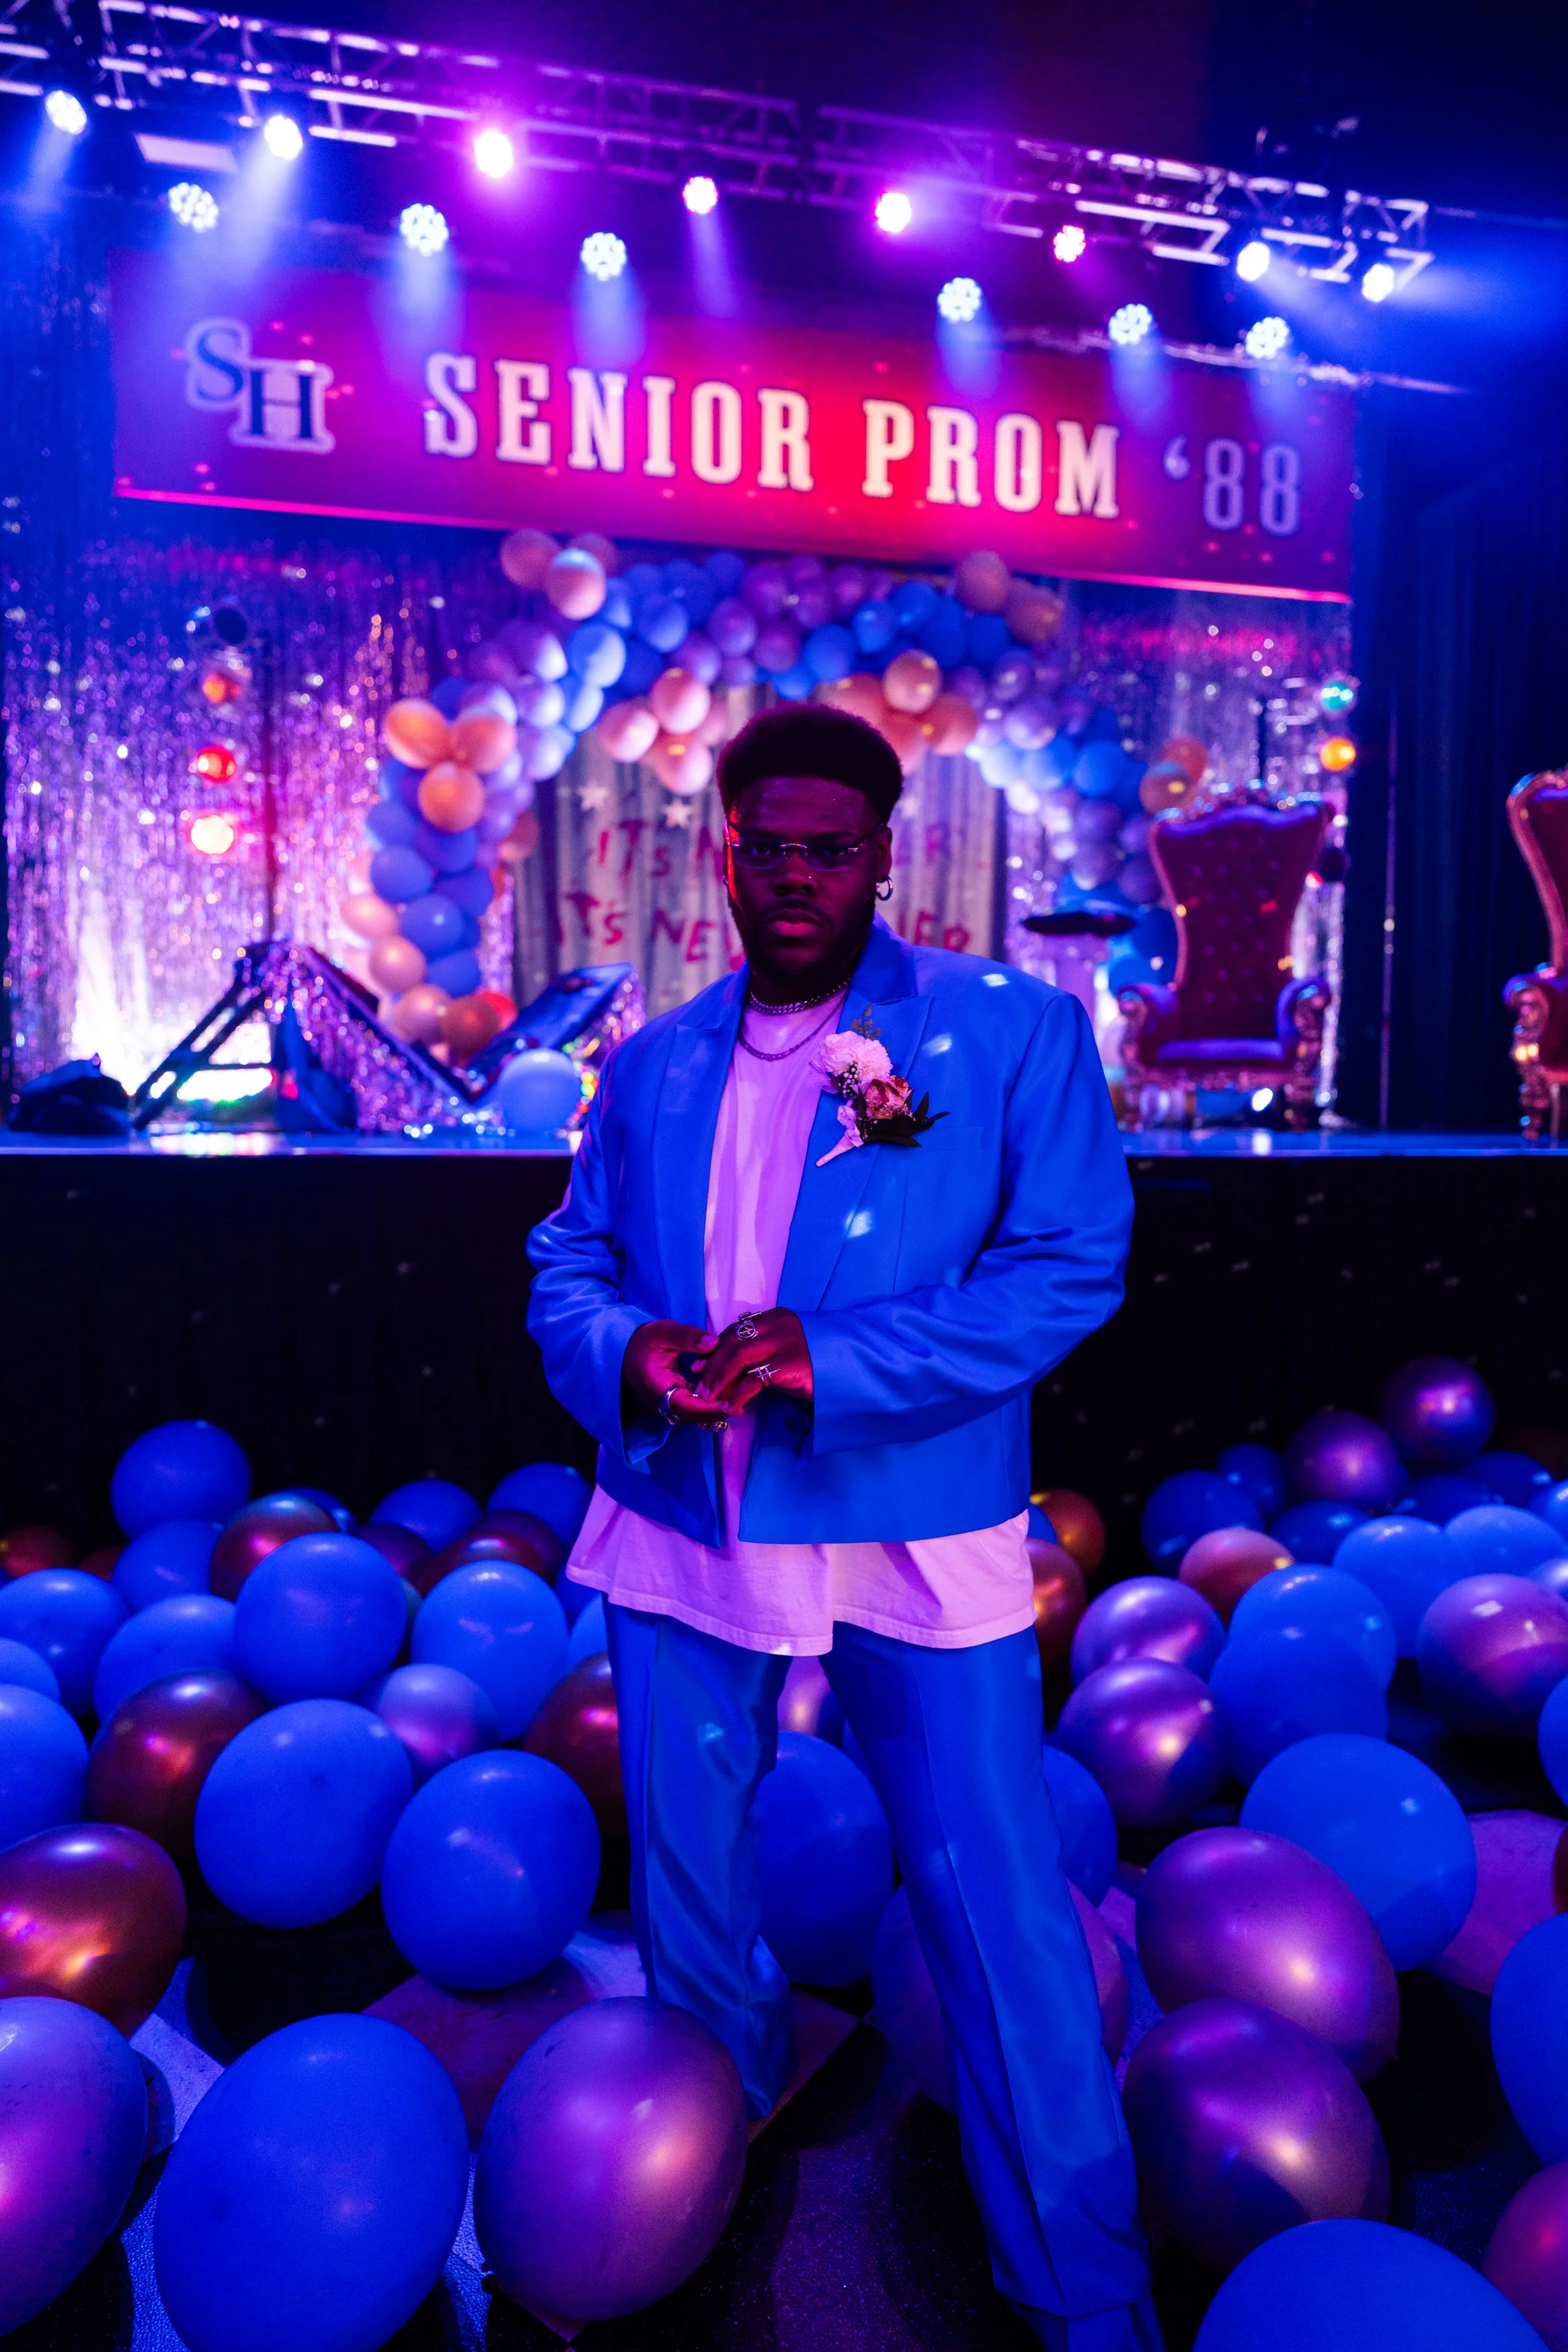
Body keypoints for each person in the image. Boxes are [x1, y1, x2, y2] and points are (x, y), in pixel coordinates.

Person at [527, 703, 1157, 2351]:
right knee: (682, 1878)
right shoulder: (654, 1057)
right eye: (765, 844)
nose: (794, 872)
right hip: (681, 1506)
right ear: (720, 850)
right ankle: (695, 2172)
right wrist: (624, 1358)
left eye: (829, 845)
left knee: (992, 1891)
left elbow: (1068, 1260)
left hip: (902, 1506)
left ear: (885, 854)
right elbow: (567, 1261)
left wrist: (841, 1356)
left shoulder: (999, 1032)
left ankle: (1082, 2282)